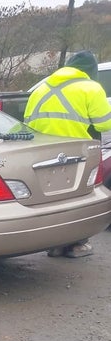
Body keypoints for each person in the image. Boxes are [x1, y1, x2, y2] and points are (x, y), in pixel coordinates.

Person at [24, 50, 111, 258]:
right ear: (90, 70)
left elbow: (28, 122)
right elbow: (104, 123)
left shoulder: (41, 88)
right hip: (77, 152)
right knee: (80, 197)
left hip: (42, 152)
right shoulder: (91, 87)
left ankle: (54, 243)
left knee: (52, 201)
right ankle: (77, 244)